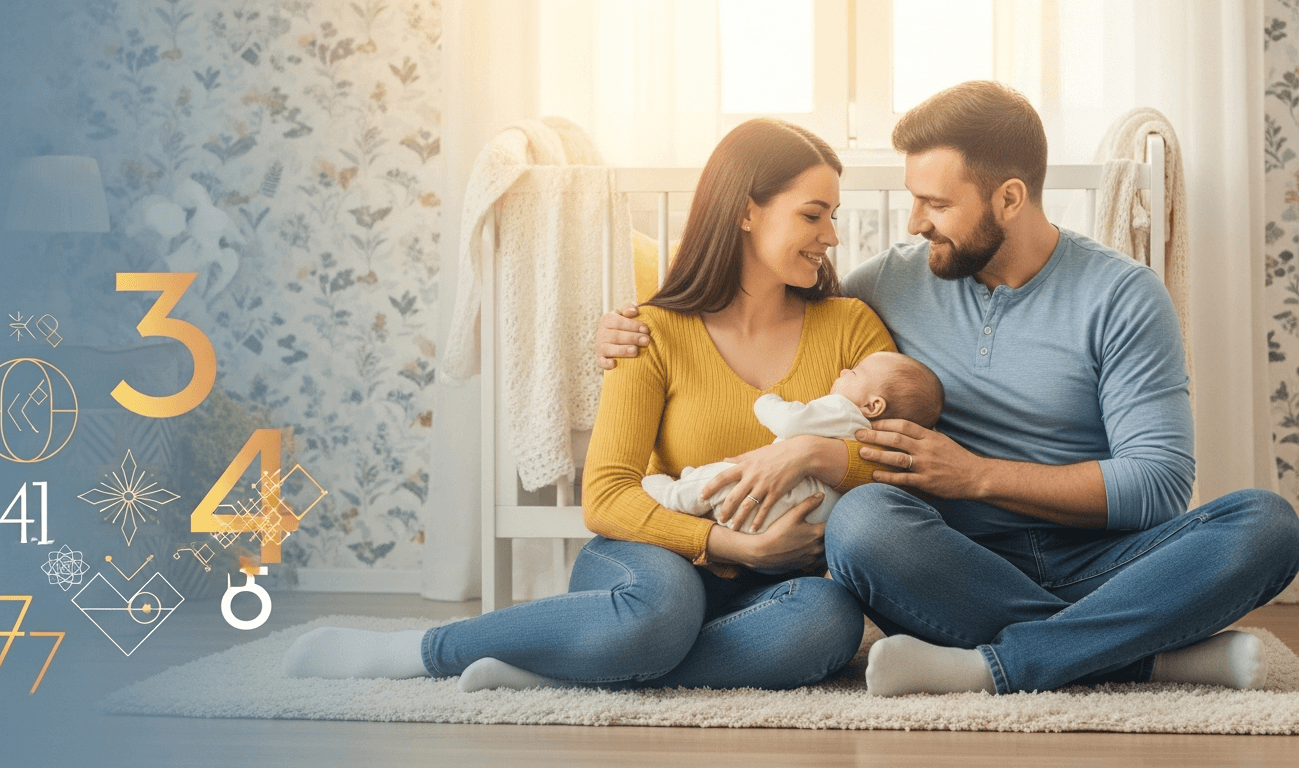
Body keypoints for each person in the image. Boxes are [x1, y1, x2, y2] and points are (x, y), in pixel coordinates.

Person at [598, 81, 1299, 696]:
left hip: (1105, 563)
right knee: (864, 521)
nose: (913, 222)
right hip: (948, 566)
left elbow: (1159, 486)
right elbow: (765, 294)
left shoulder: (1122, 295)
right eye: (913, 199)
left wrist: (977, 476)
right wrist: (632, 327)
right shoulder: (890, 281)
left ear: (1010, 198)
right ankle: (1139, 655)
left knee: (1267, 524)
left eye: (934, 202)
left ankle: (1015, 659)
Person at [282, 117, 899, 692]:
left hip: (775, 587)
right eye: (814, 214)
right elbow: (606, 496)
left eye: (833, 215)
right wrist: (734, 546)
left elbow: (893, 464)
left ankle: (572, 663)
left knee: (829, 624)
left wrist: (805, 455)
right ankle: (421, 652)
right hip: (649, 563)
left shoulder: (851, 328)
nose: (833, 236)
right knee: (658, 615)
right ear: (745, 212)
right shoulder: (649, 331)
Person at [644, 351, 942, 538]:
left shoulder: (843, 410)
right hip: (804, 518)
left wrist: (766, 401)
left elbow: (790, 421)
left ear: (873, 405)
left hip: (774, 499)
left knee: (725, 476)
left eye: (853, 373)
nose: (842, 372)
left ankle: (672, 493)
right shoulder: (876, 439)